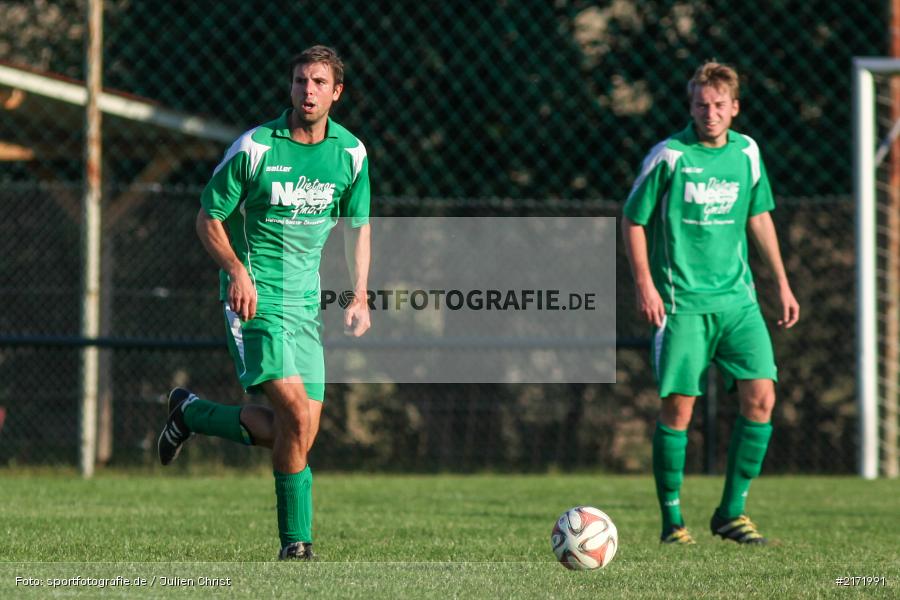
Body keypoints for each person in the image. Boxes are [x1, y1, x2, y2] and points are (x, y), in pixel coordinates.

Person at [157, 45, 371, 560]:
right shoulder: (255, 147)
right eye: (300, 81)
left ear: (336, 92)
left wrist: (360, 292)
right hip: (255, 302)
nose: (308, 91)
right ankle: (295, 545)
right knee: (295, 416)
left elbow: (357, 227)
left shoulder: (351, 154)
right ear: (290, 88)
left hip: (305, 308)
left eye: (319, 82)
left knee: (297, 431)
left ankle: (191, 414)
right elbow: (208, 217)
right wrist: (236, 270)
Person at [621, 62, 799, 545]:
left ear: (735, 107)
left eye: (719, 105)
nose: (710, 113)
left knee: (762, 396)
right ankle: (672, 522)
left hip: (738, 303)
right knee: (678, 410)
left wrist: (780, 283)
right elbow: (632, 219)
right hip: (682, 305)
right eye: (702, 104)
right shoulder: (670, 156)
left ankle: (731, 513)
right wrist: (646, 285)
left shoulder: (747, 153)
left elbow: (759, 215)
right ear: (691, 106)